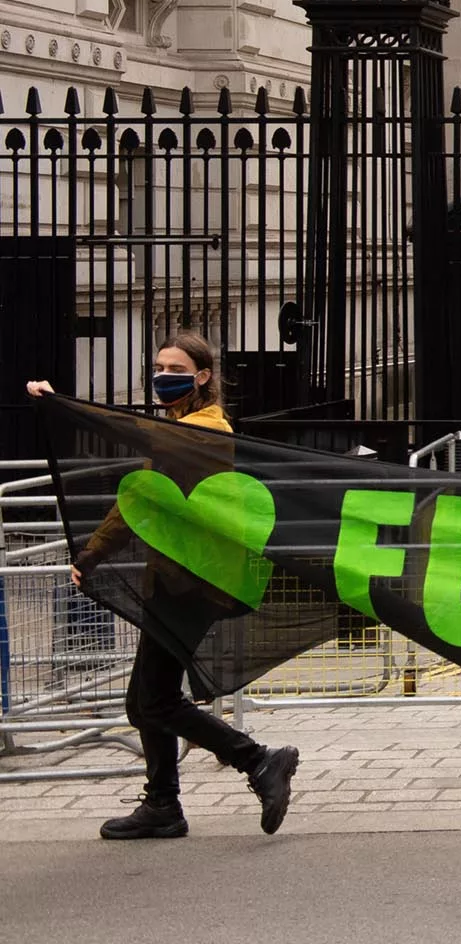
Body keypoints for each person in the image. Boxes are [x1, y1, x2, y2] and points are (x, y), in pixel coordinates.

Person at [32, 332, 300, 841]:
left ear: (202, 376)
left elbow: (136, 446)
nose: (162, 375)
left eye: (174, 367)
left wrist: (63, 406)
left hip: (194, 584)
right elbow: (141, 500)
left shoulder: (204, 431)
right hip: (174, 581)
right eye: (157, 365)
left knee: (150, 701)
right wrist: (92, 554)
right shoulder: (175, 426)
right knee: (146, 699)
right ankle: (165, 803)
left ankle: (258, 761)